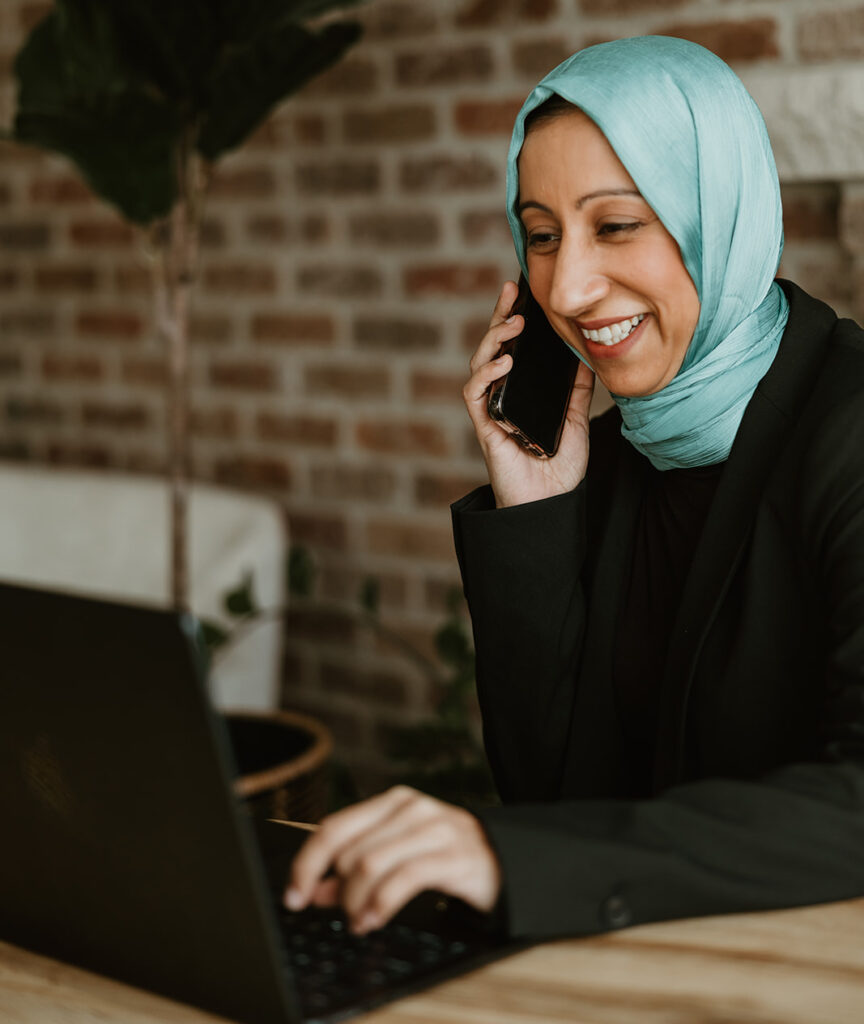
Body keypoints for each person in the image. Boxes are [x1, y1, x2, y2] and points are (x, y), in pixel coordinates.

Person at [285, 35, 864, 938]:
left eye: (618, 224)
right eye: (543, 236)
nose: (571, 286)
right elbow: (552, 787)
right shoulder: (613, 458)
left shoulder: (851, 435)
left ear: (719, 211)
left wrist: (506, 855)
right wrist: (538, 511)